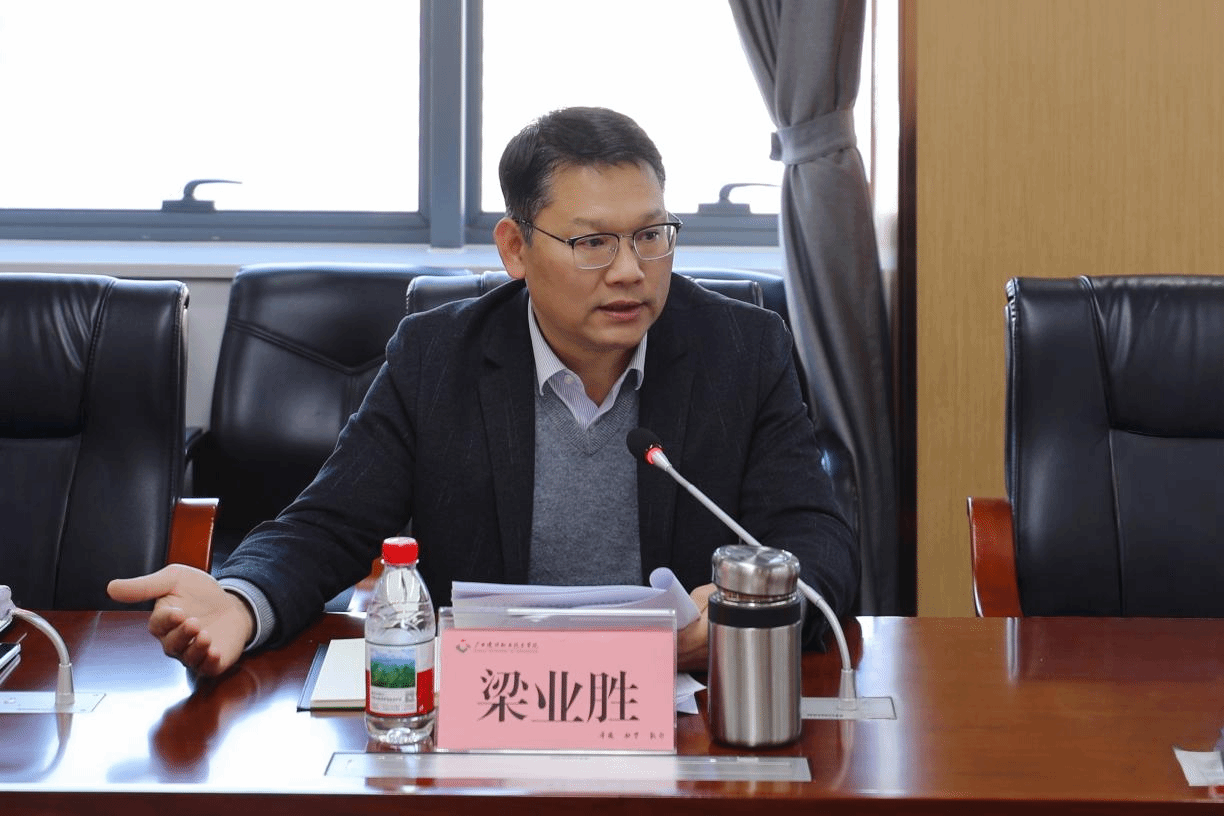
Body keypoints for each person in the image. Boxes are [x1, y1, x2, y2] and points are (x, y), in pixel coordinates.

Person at [108, 106, 858, 677]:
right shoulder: (438, 356)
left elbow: (816, 538)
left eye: (650, 235)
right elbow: (329, 524)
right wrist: (241, 599)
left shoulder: (741, 348)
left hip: (678, 709)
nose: (631, 270)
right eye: (593, 242)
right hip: (492, 704)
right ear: (515, 249)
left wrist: (742, 617)